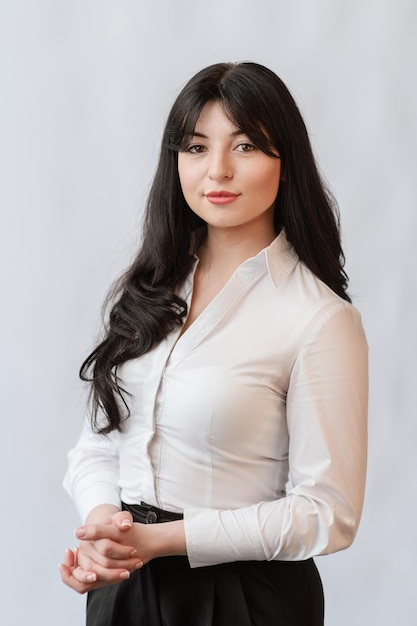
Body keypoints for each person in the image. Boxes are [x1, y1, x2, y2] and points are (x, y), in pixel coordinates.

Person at [60, 61, 368, 626]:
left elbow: (327, 515)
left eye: (246, 145)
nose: (218, 171)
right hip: (127, 589)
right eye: (197, 148)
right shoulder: (150, 291)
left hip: (245, 598)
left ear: (286, 161)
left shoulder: (319, 318)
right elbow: (99, 444)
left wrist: (167, 539)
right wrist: (104, 532)